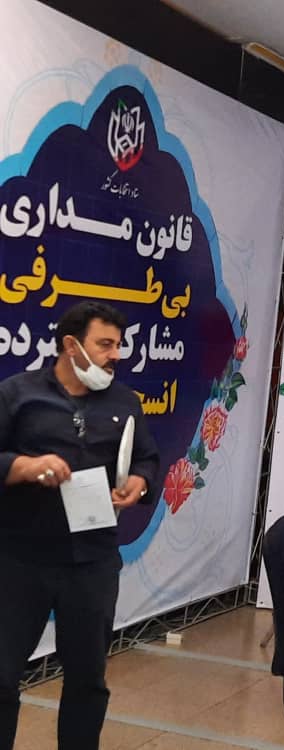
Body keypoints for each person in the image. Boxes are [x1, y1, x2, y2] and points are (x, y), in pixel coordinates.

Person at [0, 301, 159, 750]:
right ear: (72, 346)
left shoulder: (125, 402)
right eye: (105, 344)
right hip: (19, 561)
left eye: (119, 345)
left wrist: (140, 483)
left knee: (88, 679)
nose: (116, 355)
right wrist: (23, 467)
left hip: (93, 562)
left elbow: (147, 458)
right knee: (2, 675)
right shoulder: (17, 394)